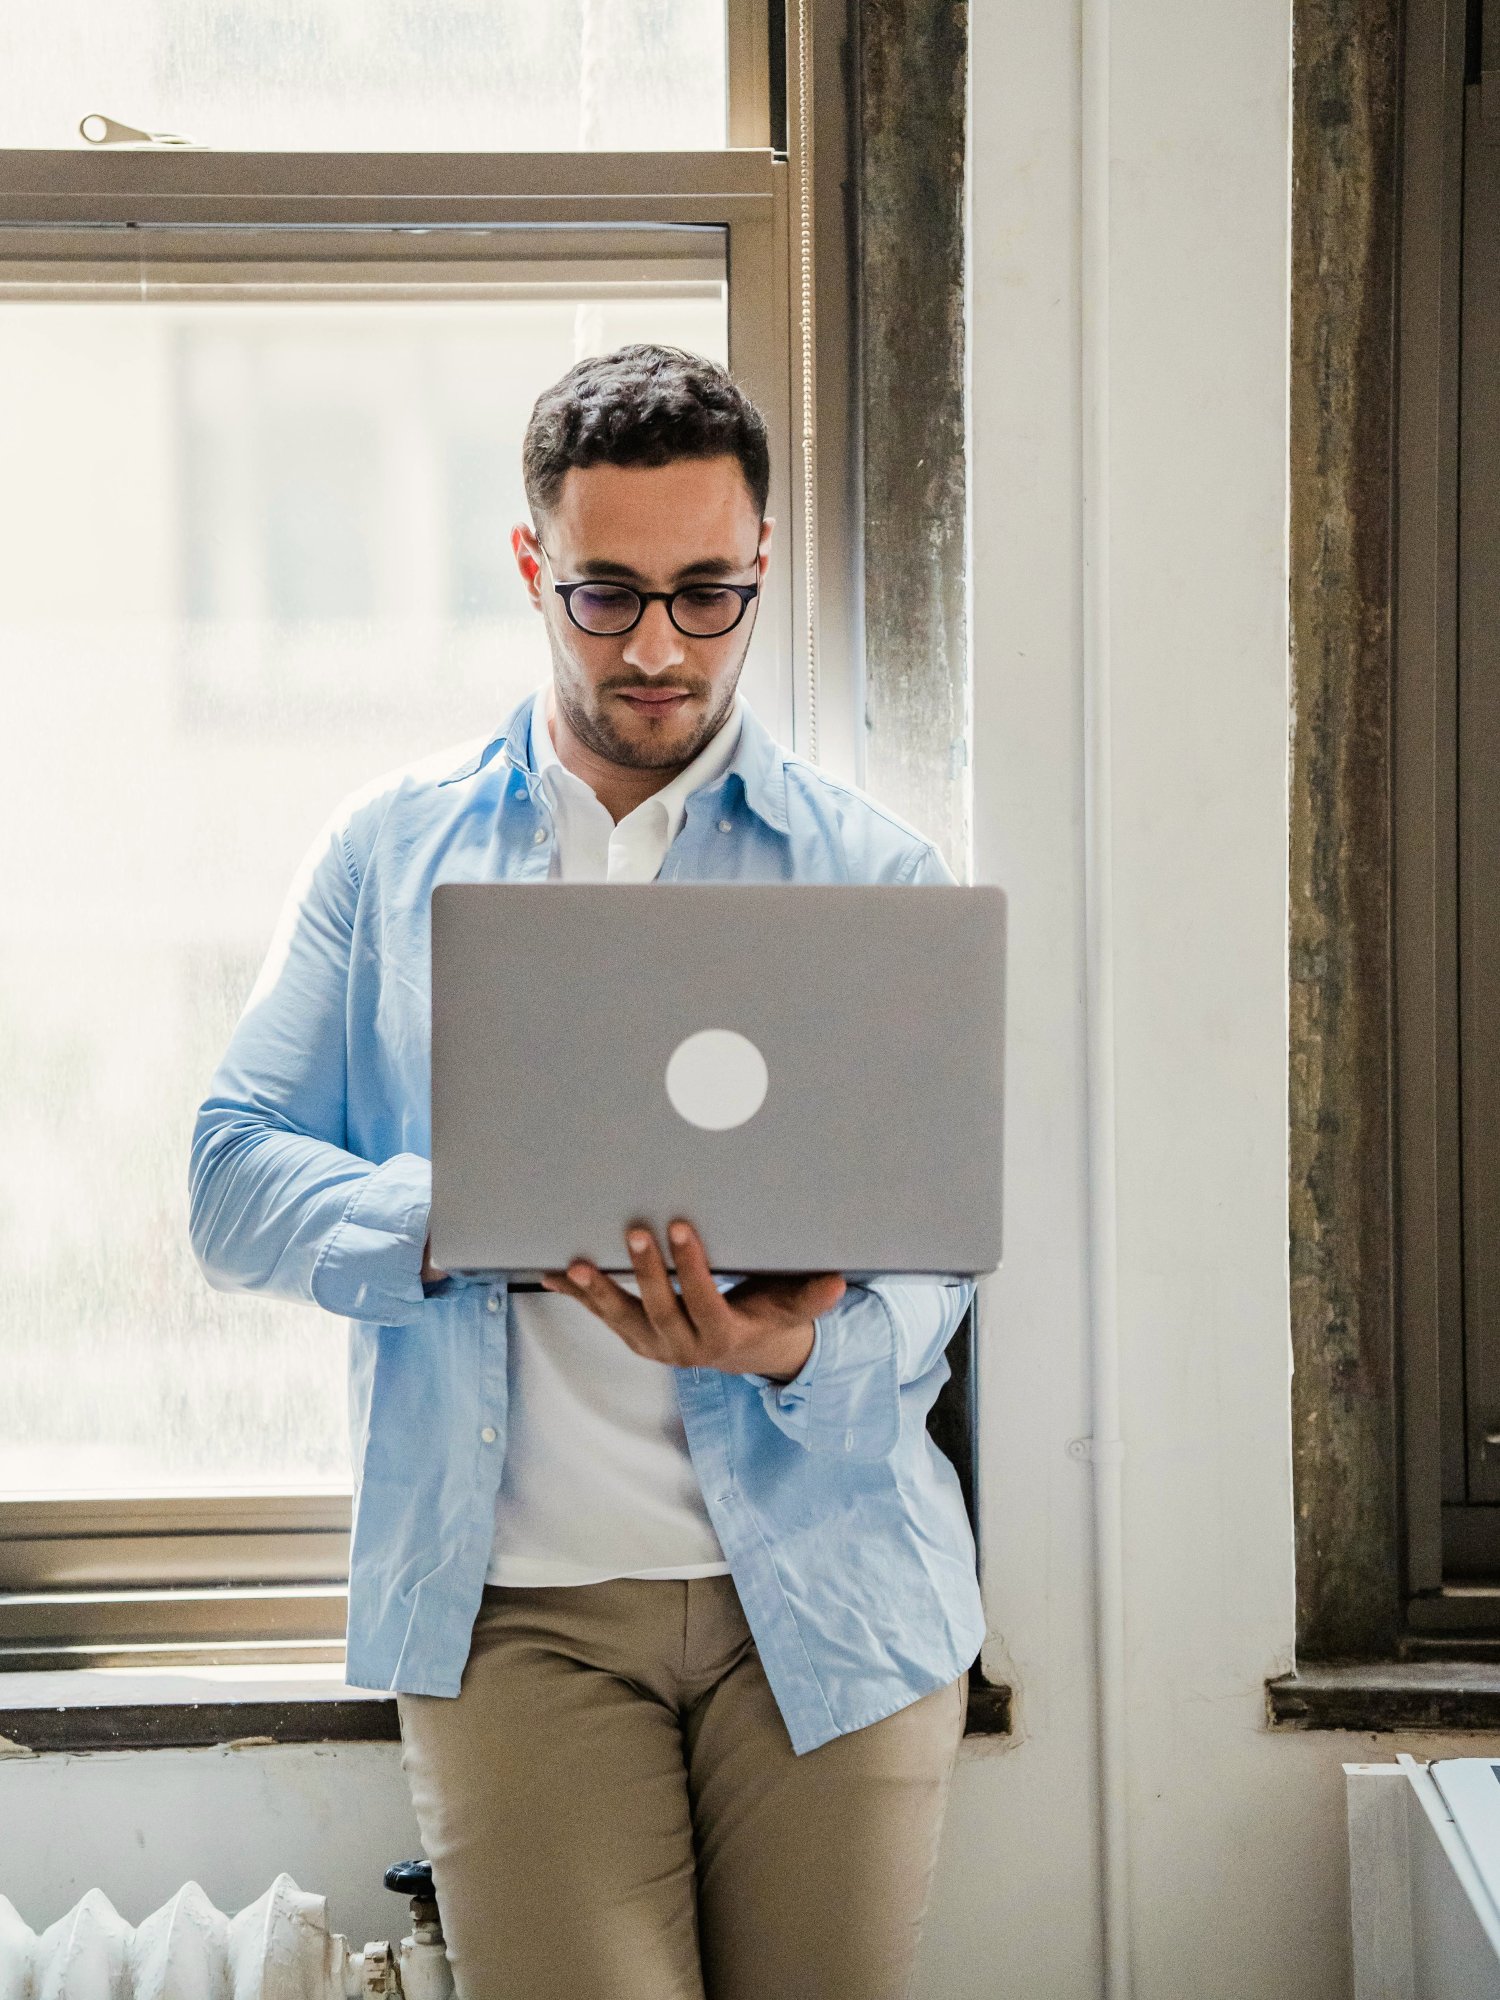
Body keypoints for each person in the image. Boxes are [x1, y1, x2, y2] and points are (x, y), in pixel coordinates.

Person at [189, 344, 984, 2000]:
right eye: (606, 595)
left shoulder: (871, 876)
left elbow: (936, 1259)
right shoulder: (385, 854)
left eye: (709, 596)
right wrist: (465, 1206)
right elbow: (228, 1180)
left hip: (831, 1604)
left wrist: (790, 1346)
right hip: (516, 1621)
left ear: (762, 566)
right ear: (530, 563)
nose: (659, 648)